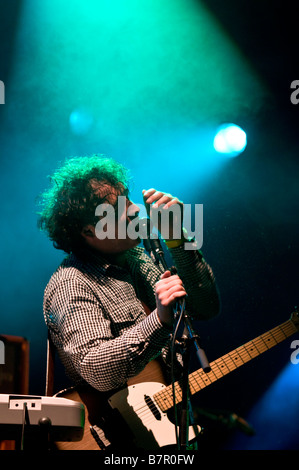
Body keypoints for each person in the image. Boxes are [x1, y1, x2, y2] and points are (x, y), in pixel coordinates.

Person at [38, 154, 220, 449]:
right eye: (119, 208)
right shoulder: (71, 283)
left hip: (170, 430)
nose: (136, 210)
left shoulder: (137, 256)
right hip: (120, 440)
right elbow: (97, 371)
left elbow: (206, 307)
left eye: (128, 198)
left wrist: (178, 239)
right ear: (88, 230)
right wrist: (159, 319)